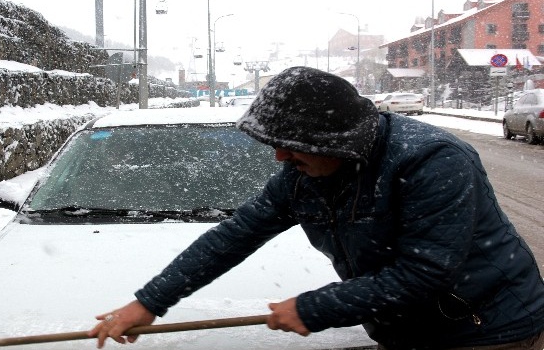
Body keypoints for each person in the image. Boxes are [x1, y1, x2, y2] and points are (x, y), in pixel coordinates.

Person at [88, 66, 544, 349]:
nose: (280, 159)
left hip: (486, 331)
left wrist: (314, 307)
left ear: (336, 142)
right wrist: (148, 303)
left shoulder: (432, 161)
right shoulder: (306, 175)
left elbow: (424, 274)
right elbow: (233, 236)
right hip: (404, 331)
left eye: (290, 147)